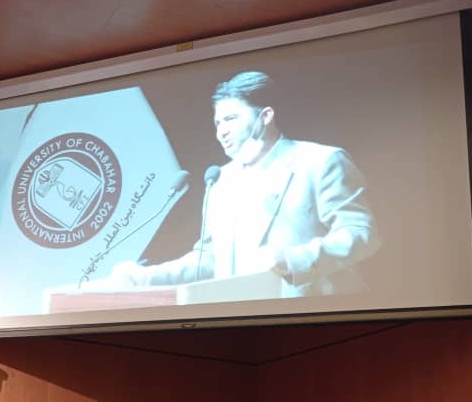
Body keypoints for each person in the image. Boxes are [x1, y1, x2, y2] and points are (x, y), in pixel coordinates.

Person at [111, 71, 378, 297]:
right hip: (238, 319)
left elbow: (361, 233)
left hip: (314, 315)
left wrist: (293, 260)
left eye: (230, 119)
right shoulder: (220, 181)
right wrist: (143, 278)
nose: (221, 132)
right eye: (217, 123)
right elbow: (208, 260)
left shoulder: (320, 161)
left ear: (266, 116)